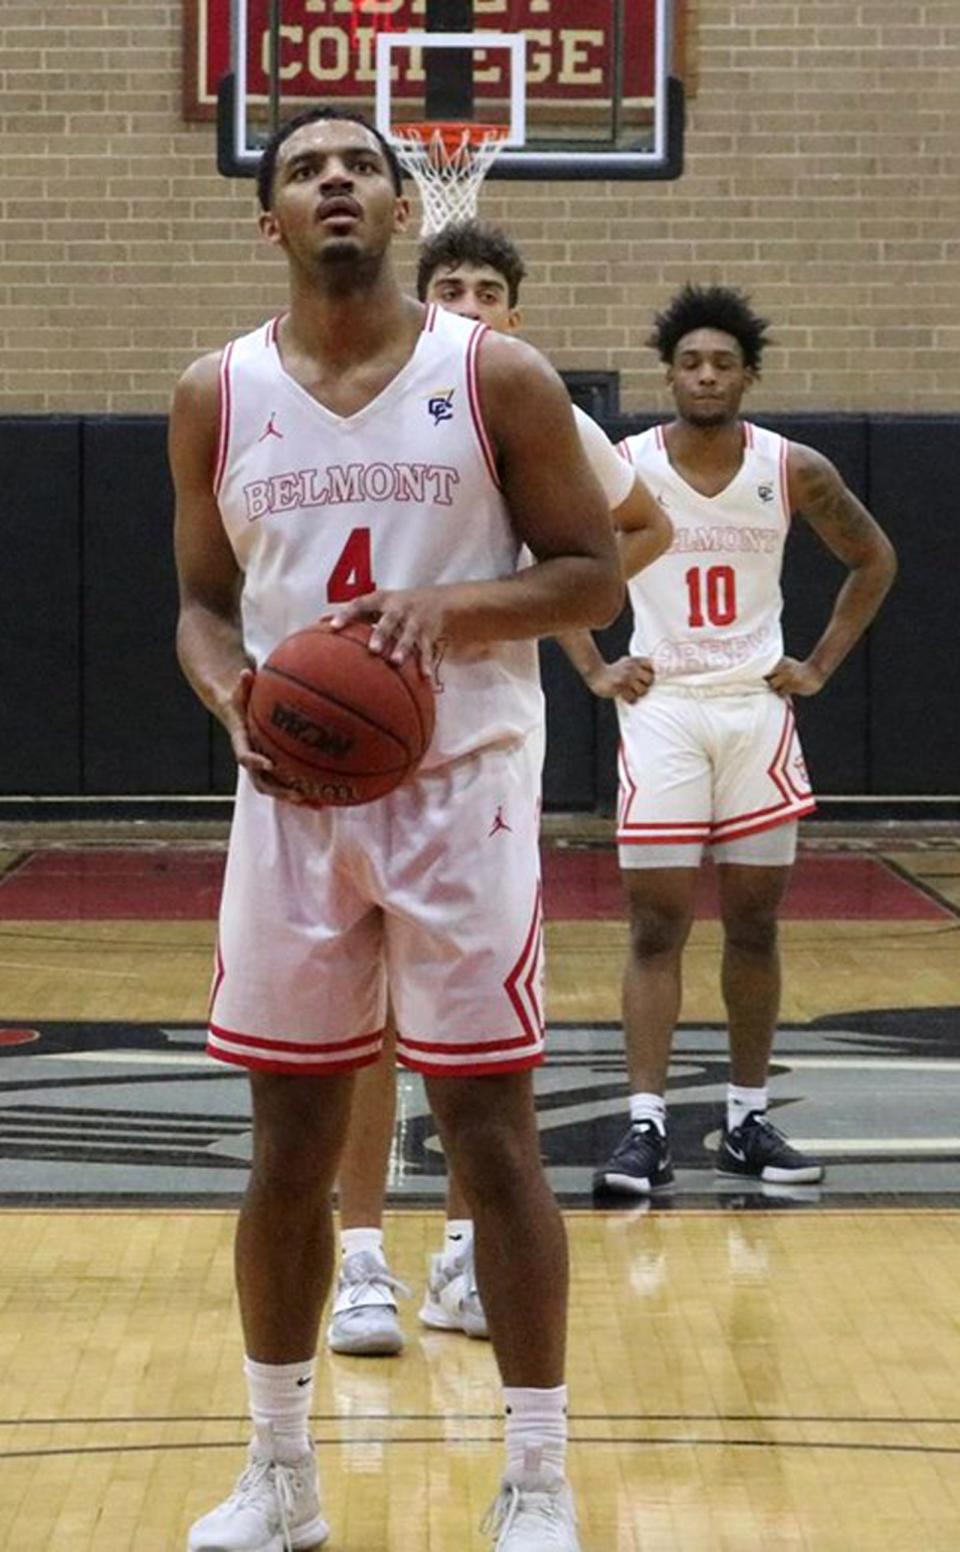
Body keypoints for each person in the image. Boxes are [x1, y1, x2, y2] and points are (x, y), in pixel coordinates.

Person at [171, 108, 624, 1552]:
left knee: (492, 1130)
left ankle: (538, 1476)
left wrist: (460, 606)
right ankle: (279, 1472)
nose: (337, 181)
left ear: (402, 205)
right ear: (273, 223)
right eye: (304, 169)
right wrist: (227, 688)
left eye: (359, 162)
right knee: (287, 1142)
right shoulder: (214, 393)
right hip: (294, 800)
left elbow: (593, 577)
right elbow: (196, 600)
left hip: (461, 793)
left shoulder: (497, 374)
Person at [325, 219, 672, 1360]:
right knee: (367, 1025)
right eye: (450, 286)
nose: (468, 302)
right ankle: (362, 1259)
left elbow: (640, 528)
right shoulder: (348, 395)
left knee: (476, 1033)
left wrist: (531, 601)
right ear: (418, 299)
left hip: (478, 747)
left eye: (487, 289)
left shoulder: (540, 408)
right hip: (353, 741)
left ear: (514, 314)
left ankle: (465, 1257)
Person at [591, 282, 897, 1197]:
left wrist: (822, 665)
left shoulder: (792, 467)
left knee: (756, 923)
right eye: (691, 362)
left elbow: (874, 557)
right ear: (671, 375)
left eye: (724, 362)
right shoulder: (626, 464)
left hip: (758, 711)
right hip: (665, 709)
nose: (707, 374)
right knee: (656, 925)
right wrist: (595, 665)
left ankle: (745, 1119)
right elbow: (547, 565)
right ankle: (645, 1129)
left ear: (749, 376)